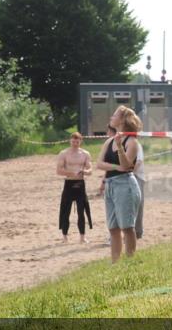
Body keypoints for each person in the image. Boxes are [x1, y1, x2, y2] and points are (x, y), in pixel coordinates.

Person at [96, 107, 143, 262]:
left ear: (122, 120)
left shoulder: (132, 142)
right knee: (113, 228)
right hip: (110, 185)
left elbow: (127, 166)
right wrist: (115, 167)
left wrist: (121, 148)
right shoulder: (109, 141)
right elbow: (99, 164)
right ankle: (115, 263)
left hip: (125, 185)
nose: (111, 116)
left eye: (115, 114)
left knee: (127, 227)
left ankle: (130, 262)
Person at [56, 132, 93, 243]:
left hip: (80, 184)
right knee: (65, 210)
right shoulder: (64, 153)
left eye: (77, 141)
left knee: (82, 211)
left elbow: (90, 170)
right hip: (69, 183)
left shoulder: (85, 153)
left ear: (80, 141)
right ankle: (64, 236)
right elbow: (58, 170)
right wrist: (72, 173)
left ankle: (82, 237)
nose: (75, 143)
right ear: (70, 141)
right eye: (73, 141)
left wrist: (85, 172)